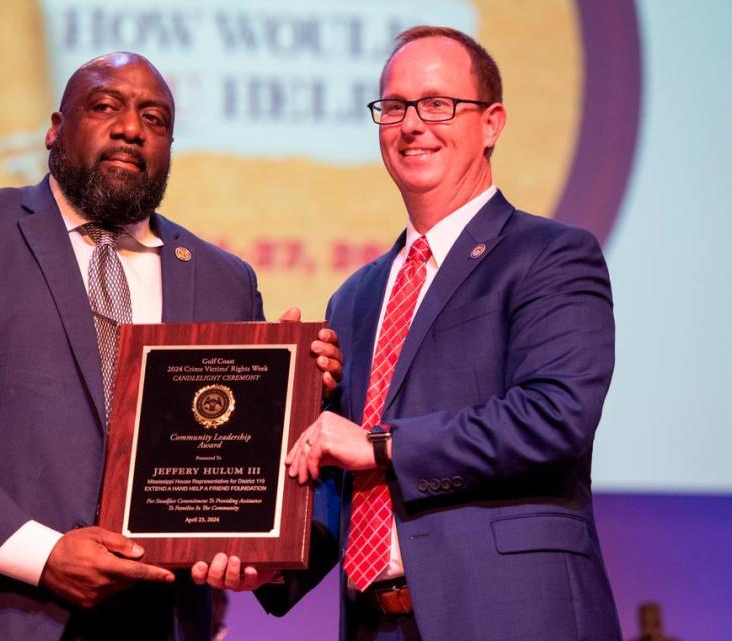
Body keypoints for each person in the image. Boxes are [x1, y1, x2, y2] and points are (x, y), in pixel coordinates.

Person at [0, 52, 340, 641]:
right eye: (105, 105)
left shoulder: (223, 278)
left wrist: (298, 391)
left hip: (155, 621)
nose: (132, 127)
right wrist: (43, 554)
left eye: (155, 119)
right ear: (56, 129)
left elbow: (246, 457)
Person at [221, 25, 622, 641]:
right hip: (374, 625)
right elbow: (342, 469)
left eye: (438, 104)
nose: (412, 124)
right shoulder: (354, 297)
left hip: (513, 614)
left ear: (491, 123)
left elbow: (555, 416)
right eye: (395, 106)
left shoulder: (550, 256)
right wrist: (271, 560)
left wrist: (382, 444)